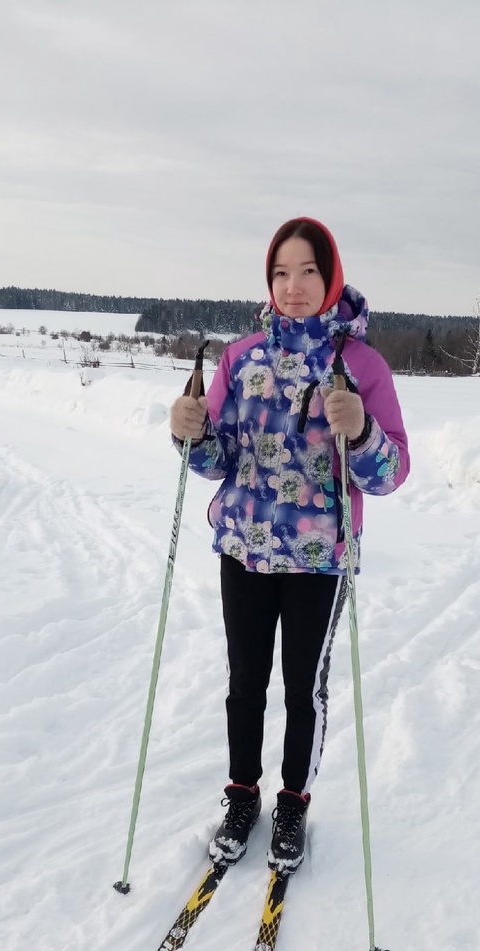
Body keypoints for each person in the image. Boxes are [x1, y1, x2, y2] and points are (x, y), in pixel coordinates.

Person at [169, 217, 410, 875]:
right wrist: (187, 428)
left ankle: (293, 804)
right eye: (281, 273)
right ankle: (241, 797)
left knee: (304, 688)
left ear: (330, 278)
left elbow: (388, 476)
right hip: (243, 548)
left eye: (307, 271)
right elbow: (216, 459)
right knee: (246, 682)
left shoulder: (361, 366)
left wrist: (361, 432)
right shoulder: (241, 358)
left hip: (319, 559)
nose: (293, 286)